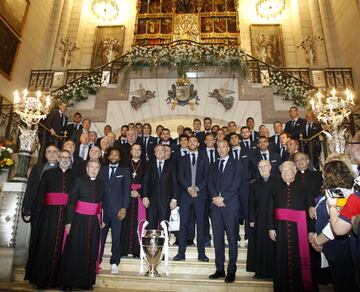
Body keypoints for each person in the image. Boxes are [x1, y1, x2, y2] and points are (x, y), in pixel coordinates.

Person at [26, 150, 74, 289]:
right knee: (46, 244)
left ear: (70, 159)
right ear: (58, 158)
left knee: (63, 249)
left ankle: (61, 280)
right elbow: (40, 195)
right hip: (48, 216)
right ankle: (42, 280)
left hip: (66, 216)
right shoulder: (48, 174)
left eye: (68, 157)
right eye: (63, 157)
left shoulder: (75, 177)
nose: (65, 159)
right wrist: (38, 214)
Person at [310, 156, 358, 292]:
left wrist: (318, 240)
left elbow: (338, 224)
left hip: (339, 248)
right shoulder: (335, 191)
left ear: (331, 174)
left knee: (345, 284)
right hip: (333, 246)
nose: (322, 175)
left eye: (324, 172)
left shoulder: (338, 193)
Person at [268, 161, 317, 292]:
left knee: (301, 262)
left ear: (295, 171)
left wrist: (312, 230)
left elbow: (311, 210)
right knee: (282, 260)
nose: (286, 173)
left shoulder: (305, 187)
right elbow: (270, 209)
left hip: (300, 231)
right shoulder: (275, 187)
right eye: (283, 171)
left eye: (289, 170)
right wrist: (271, 227)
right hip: (281, 229)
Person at [59, 159, 105, 291]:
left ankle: (87, 281)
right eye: (91, 167)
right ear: (86, 168)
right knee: (74, 250)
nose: (94, 169)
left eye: (96, 167)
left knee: (90, 250)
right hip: (78, 221)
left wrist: (102, 219)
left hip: (94, 223)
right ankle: (68, 282)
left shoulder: (101, 184)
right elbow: (71, 202)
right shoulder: (78, 181)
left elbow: (102, 204)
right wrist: (68, 221)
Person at [208, 140, 244, 283]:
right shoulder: (213, 165)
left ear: (228, 148)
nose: (221, 149)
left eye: (224, 147)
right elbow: (210, 183)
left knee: (232, 238)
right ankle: (219, 269)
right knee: (217, 239)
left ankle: (231, 270)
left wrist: (223, 198)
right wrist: (216, 198)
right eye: (219, 147)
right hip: (216, 207)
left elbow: (237, 183)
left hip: (230, 206)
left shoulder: (236, 163)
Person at [22, 145, 59, 280]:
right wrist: (26, 206)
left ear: (59, 154)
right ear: (45, 154)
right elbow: (30, 188)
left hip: (52, 211)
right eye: (49, 152)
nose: (52, 154)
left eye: (55, 151)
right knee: (35, 239)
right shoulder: (37, 168)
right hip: (37, 209)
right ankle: (31, 268)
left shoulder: (62, 169)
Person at [174, 136, 209, 262]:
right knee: (183, 225)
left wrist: (197, 188)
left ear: (198, 143)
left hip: (200, 196)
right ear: (187, 144)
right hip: (185, 195)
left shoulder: (205, 158)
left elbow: (207, 176)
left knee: (200, 225)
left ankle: (202, 253)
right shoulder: (183, 159)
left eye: (195, 141)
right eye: (190, 141)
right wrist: (188, 188)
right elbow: (180, 176)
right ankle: (181, 253)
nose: (192, 143)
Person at [99, 147, 131, 274]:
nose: (113, 157)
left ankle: (114, 262)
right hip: (103, 210)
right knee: (100, 237)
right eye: (111, 154)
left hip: (118, 210)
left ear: (119, 157)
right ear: (108, 157)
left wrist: (124, 208)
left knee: (116, 238)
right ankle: (97, 261)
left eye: (116, 155)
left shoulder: (125, 171)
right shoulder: (102, 170)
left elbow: (127, 191)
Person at [247, 160, 276, 278]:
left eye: (265, 166)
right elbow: (251, 202)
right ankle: (260, 271)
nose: (263, 168)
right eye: (260, 167)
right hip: (258, 219)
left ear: (270, 167)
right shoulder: (254, 183)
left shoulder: (277, 181)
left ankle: (273, 271)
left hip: (273, 219)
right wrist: (252, 218)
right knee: (259, 245)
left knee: (272, 246)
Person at [120, 144, 147, 258]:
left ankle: (137, 250)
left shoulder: (146, 165)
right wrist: (130, 191)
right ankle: (123, 249)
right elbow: (120, 180)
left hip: (140, 196)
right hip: (127, 196)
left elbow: (148, 181)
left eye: (138, 149)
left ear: (141, 152)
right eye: (134, 149)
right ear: (130, 151)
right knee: (125, 222)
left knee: (139, 222)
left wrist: (139, 192)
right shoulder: (124, 164)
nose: (136, 151)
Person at [142, 144, 178, 229]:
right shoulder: (149, 164)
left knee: (164, 226)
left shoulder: (172, 165)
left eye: (162, 150)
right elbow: (145, 182)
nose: (160, 152)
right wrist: (144, 196)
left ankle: (164, 242)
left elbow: (175, 183)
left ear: (165, 152)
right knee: (151, 226)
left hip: (166, 201)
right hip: (151, 202)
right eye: (158, 150)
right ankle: (152, 243)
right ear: (154, 153)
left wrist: (174, 198)